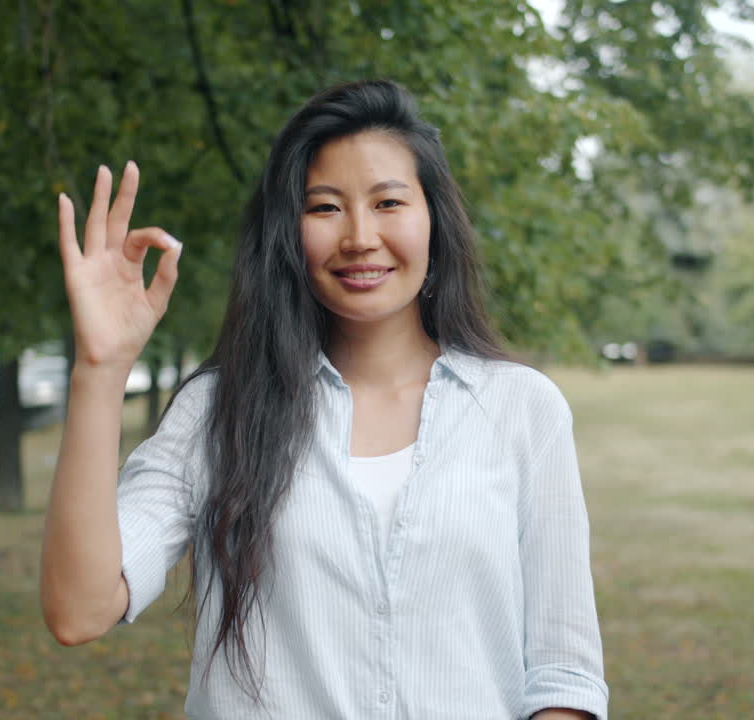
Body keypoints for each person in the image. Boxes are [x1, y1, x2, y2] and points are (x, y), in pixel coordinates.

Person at [41, 79, 608, 719]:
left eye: (389, 201)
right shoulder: (218, 411)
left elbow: (564, 676)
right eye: (324, 207)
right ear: (288, 232)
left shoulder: (522, 409)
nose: (360, 236)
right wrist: (100, 367)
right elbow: (80, 608)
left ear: (434, 219)